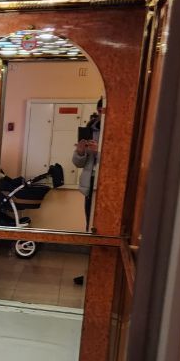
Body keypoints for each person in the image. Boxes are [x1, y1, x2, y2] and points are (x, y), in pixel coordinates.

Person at [72, 98, 103, 285]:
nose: (101, 114)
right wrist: (81, 151)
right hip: (90, 185)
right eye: (99, 110)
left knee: (103, 230)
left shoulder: (119, 129)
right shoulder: (90, 128)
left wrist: (100, 151)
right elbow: (78, 163)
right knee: (90, 229)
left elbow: (119, 160)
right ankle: (91, 272)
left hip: (108, 187)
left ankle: (101, 276)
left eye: (104, 111)